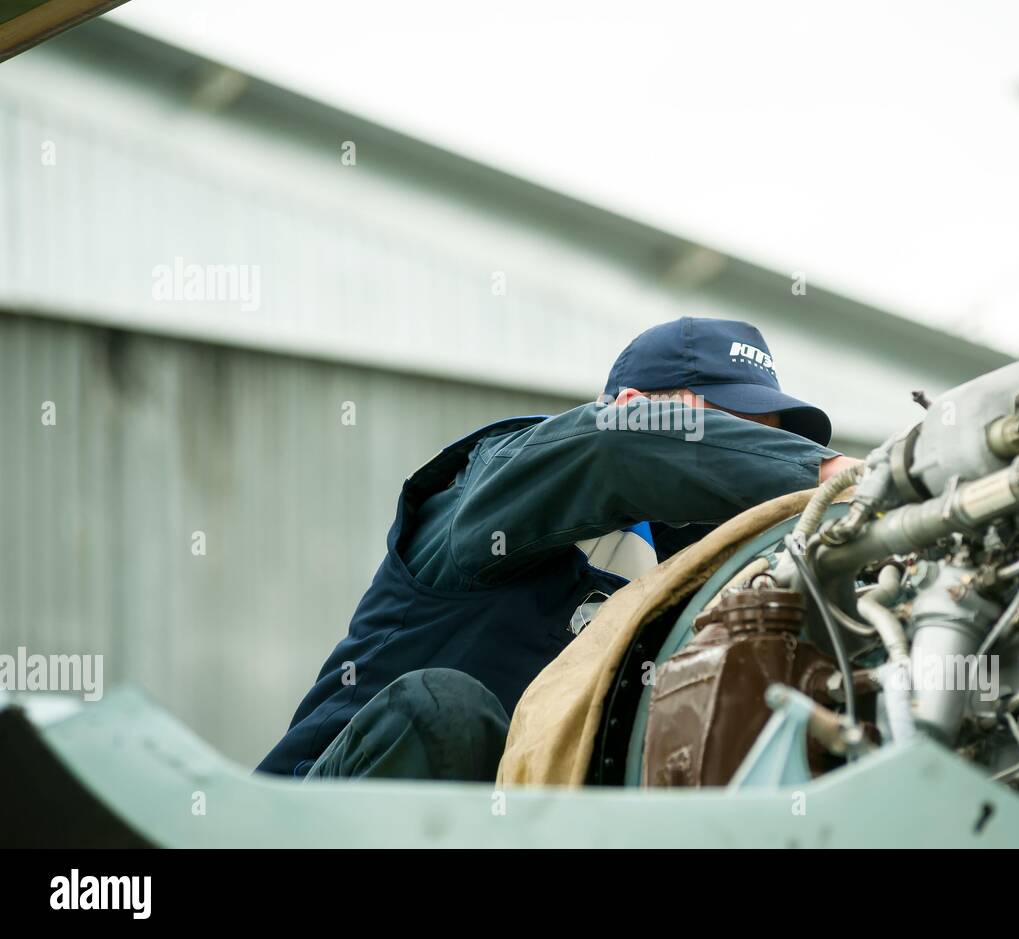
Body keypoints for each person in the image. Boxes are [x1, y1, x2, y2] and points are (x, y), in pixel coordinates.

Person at [256, 316, 859, 781]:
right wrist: (846, 477)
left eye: (765, 440)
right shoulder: (496, 486)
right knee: (444, 712)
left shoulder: (711, 580)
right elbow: (614, 451)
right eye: (725, 427)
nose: (749, 458)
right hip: (320, 817)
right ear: (629, 409)